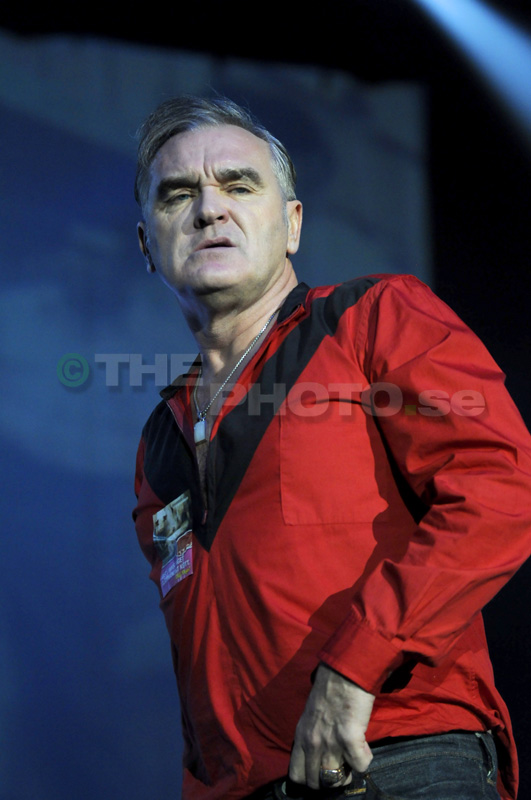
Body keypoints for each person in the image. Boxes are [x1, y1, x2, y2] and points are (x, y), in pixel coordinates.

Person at [132, 95, 531, 800]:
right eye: (178, 194)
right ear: (146, 245)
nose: (209, 209)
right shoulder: (160, 440)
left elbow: (502, 489)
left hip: (396, 760)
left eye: (238, 185)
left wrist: (354, 668)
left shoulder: (372, 319)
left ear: (291, 224)